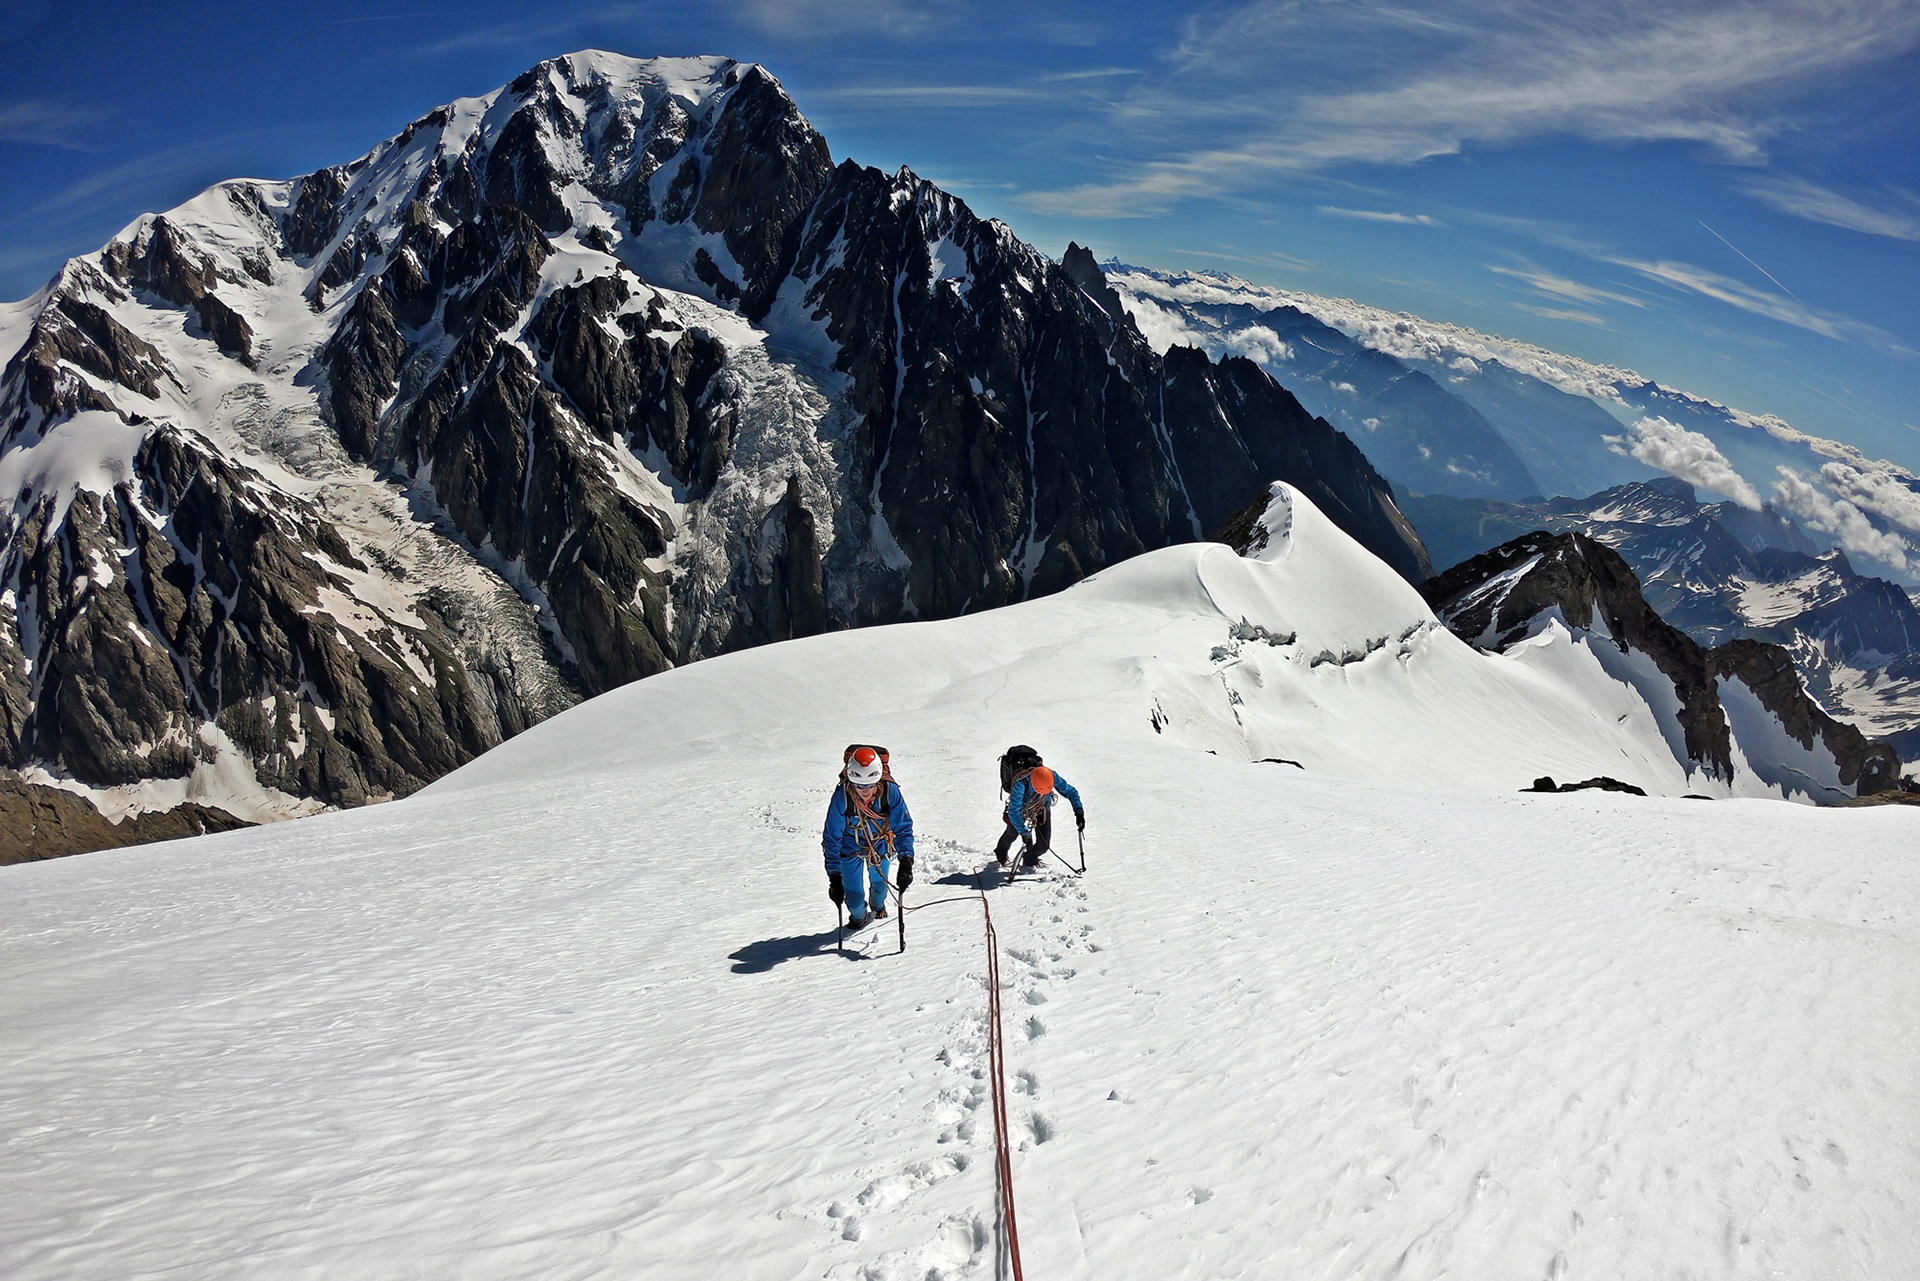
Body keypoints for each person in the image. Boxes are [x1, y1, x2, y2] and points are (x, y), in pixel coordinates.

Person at [823, 746, 915, 930]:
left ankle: (878, 908)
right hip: (850, 850)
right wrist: (834, 876)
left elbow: (903, 827)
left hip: (879, 847)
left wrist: (906, 860)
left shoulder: (890, 792)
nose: (864, 791)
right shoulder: (842, 796)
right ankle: (859, 917)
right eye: (859, 786)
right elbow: (832, 837)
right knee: (855, 905)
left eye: (869, 785)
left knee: (880, 893)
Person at [997, 763, 1084, 870]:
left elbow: (1071, 792)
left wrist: (1079, 812)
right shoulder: (1021, 783)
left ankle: (1029, 859)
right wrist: (1024, 833)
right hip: (1021, 810)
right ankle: (1001, 854)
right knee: (1012, 834)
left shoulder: (1052, 776)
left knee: (1043, 845)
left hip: (1041, 809)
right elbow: (1014, 811)